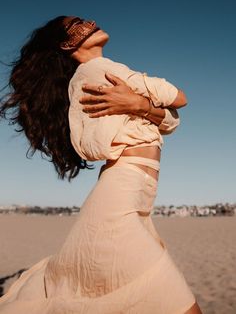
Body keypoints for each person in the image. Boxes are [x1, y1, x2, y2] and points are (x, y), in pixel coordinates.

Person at [0, 16, 202, 313]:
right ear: (67, 43)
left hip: (135, 198)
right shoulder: (96, 72)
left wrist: (137, 105)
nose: (90, 21)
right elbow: (178, 99)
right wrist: (145, 107)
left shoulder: (100, 75)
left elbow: (171, 122)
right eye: (78, 23)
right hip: (119, 198)